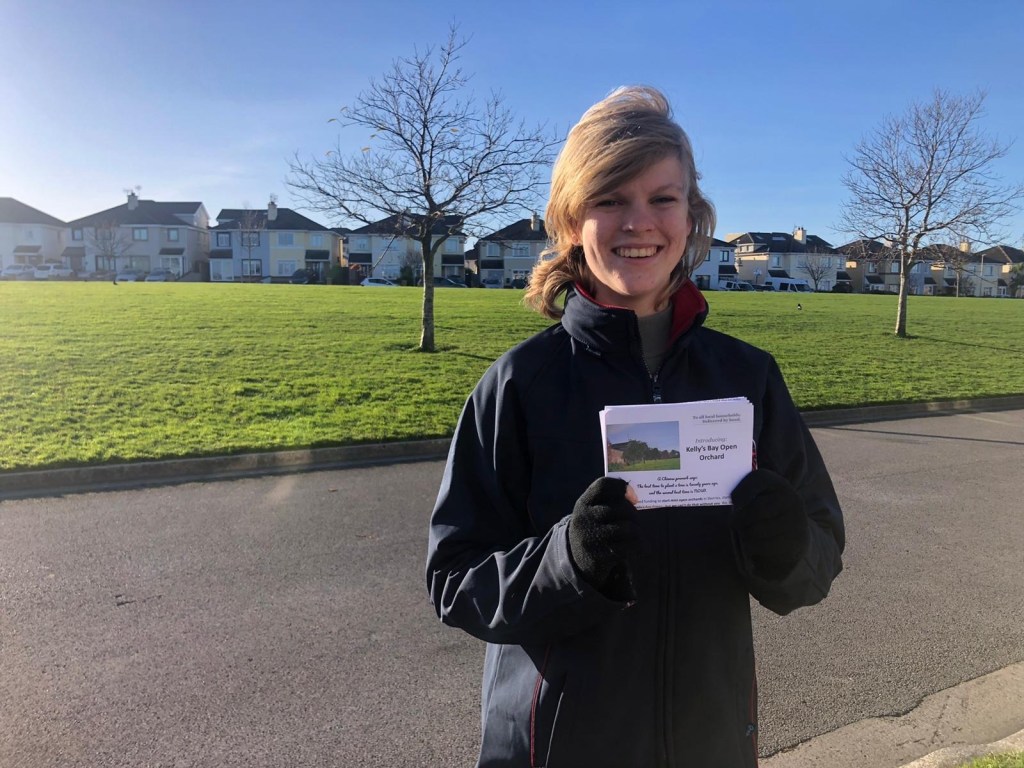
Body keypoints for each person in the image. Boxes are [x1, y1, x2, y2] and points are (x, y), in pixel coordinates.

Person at [426, 86, 845, 768]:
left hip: (709, 744)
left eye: (662, 198)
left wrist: (784, 546)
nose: (638, 222)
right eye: (610, 199)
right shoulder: (519, 384)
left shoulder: (748, 377)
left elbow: (819, 556)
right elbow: (454, 578)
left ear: (692, 216)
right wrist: (566, 561)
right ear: (571, 220)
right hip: (554, 749)